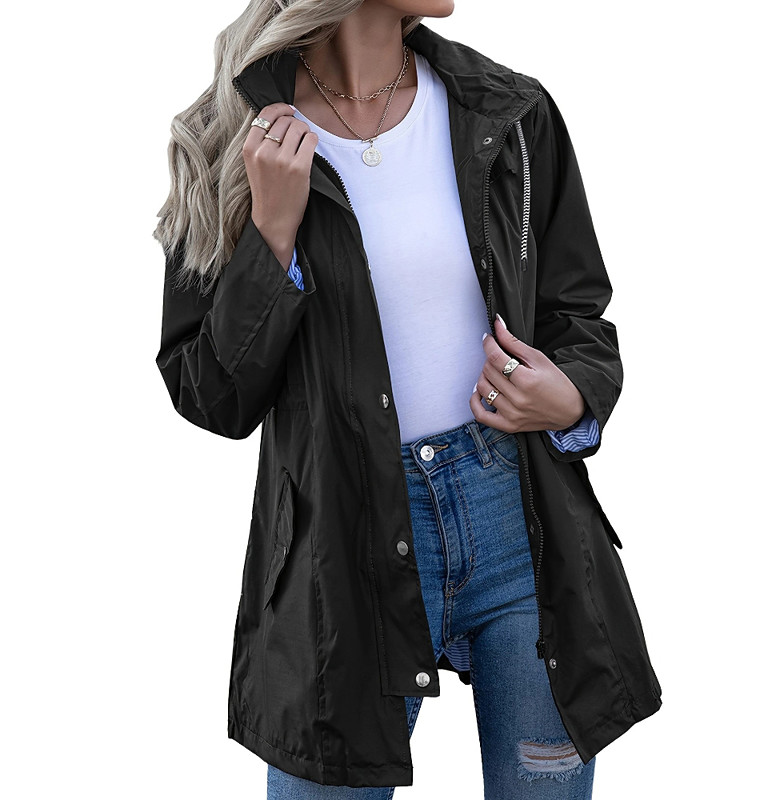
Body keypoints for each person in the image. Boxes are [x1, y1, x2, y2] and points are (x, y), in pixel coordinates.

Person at [153, 2, 662, 798]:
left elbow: (577, 315)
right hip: (344, 549)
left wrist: (571, 396)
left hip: (520, 527)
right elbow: (212, 396)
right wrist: (272, 238)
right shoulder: (234, 133)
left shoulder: (509, 111)